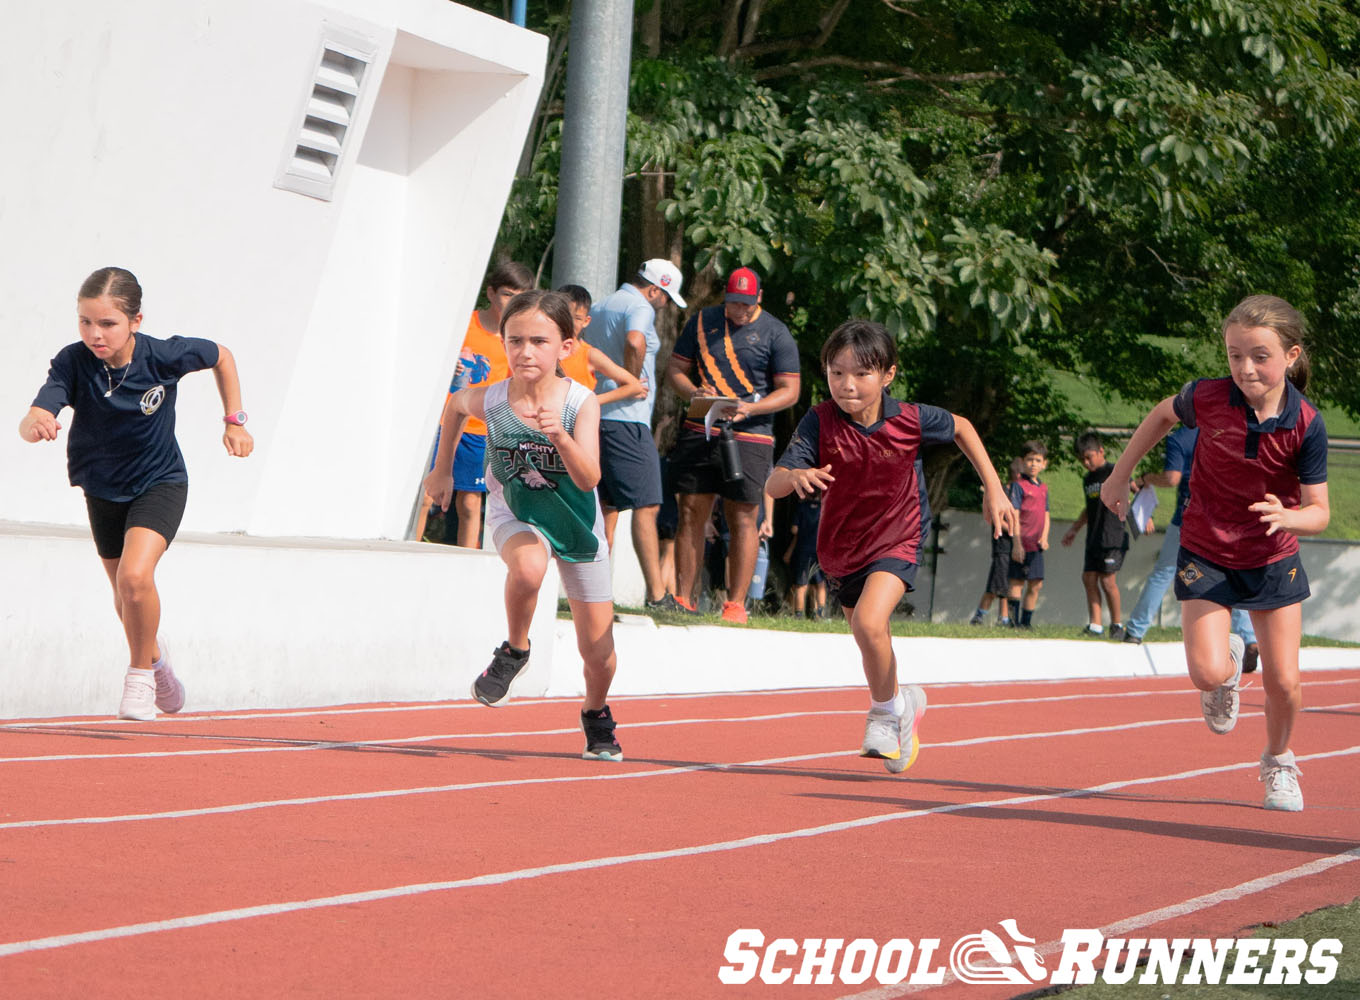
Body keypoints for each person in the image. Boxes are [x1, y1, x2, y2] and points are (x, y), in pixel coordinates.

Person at [1101, 294, 1328, 811]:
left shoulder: (1306, 424)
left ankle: (1278, 761)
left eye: (1260, 356)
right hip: (1206, 545)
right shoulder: (1207, 397)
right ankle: (1227, 666)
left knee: (1284, 680)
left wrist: (1292, 517)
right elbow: (1161, 416)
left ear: (1291, 356)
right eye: (1234, 355)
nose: (1245, 368)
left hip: (1272, 556)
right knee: (1205, 674)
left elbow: (1319, 511)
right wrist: (1119, 474)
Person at [766, 320, 1017, 774]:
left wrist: (993, 488)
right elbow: (774, 482)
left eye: (861, 374)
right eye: (836, 373)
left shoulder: (911, 419)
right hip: (840, 549)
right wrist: (795, 476)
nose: (847, 385)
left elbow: (962, 428)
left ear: (888, 375)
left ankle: (883, 715)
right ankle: (903, 705)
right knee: (870, 639)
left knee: (869, 621)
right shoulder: (818, 421)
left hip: (898, 537)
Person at [18, 266, 253, 720]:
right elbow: (35, 413)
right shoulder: (73, 361)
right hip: (102, 489)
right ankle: (158, 664)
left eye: (107, 323)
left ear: (135, 321)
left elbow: (222, 355)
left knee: (134, 577)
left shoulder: (163, 356)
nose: (95, 334)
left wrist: (234, 419)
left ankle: (139, 680)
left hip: (159, 482)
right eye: (86, 322)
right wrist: (36, 425)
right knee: (125, 596)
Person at [424, 290, 624, 761]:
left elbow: (590, 477)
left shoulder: (580, 403)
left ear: (566, 348)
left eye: (538, 341)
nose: (525, 352)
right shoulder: (493, 399)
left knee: (599, 654)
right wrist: (442, 469)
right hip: (515, 512)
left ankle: (596, 714)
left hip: (577, 526)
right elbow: (454, 405)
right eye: (515, 341)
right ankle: (515, 650)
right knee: (529, 568)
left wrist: (559, 435)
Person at [665, 266, 801, 623]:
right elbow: (676, 371)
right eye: (732, 303)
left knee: (742, 514)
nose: (738, 310)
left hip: (750, 433)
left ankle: (736, 604)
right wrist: (693, 391)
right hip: (701, 426)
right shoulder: (701, 321)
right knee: (692, 510)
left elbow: (790, 391)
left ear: (758, 299)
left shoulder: (776, 332)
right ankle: (684, 597)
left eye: (745, 303)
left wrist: (751, 408)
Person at [584, 259, 687, 611]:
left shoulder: (600, 306)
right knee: (648, 505)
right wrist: (631, 379)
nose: (665, 305)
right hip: (627, 420)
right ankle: (658, 596)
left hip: (596, 414)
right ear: (655, 289)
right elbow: (634, 339)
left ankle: (593, 593)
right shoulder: (640, 306)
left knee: (607, 508)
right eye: (667, 298)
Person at [1122, 425, 1260, 665]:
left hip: (1189, 516)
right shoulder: (1228, 431)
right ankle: (1248, 638)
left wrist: (1146, 479)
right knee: (1232, 574)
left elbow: (1172, 478)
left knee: (1164, 573)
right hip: (1225, 516)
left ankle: (1135, 630)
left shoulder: (1179, 438)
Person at [446, 261, 534, 548]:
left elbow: (516, 385)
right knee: (425, 497)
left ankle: (464, 567)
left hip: (480, 430)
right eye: (508, 294)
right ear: (491, 293)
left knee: (470, 504)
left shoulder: (516, 340)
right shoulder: (463, 324)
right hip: (444, 422)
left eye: (521, 297)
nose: (513, 303)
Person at [1062, 431, 1129, 638]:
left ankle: (1117, 625)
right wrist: (1074, 528)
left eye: (1089, 457)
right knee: (1089, 578)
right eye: (1082, 459)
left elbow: (1134, 489)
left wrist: (1145, 516)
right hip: (1094, 537)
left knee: (1108, 582)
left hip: (1112, 537)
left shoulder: (1114, 471)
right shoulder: (1088, 479)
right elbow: (1089, 509)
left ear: (1101, 451)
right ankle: (1095, 625)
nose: (1086, 462)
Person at [555, 284, 648, 408]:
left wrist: (589, 401)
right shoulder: (543, 346)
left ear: (586, 321)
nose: (570, 323)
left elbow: (634, 386)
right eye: (565, 316)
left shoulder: (588, 354)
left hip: (576, 423)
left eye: (577, 318)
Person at [969, 456, 1024, 626]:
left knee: (1003, 584)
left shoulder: (1011, 492)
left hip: (1006, 546)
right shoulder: (1007, 492)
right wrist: (1014, 530)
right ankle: (979, 617)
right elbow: (996, 519)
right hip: (1002, 546)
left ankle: (1004, 618)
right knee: (996, 585)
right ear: (1019, 475)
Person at [1005, 441, 1051, 627]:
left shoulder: (1043, 488)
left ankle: (1026, 623)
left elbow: (1046, 514)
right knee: (1017, 582)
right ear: (1022, 462)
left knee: (1036, 584)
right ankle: (1013, 622)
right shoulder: (1019, 486)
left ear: (1044, 464)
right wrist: (1016, 543)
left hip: (1036, 545)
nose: (1033, 463)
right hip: (1021, 542)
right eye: (1029, 459)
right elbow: (1014, 515)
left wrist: (1045, 536)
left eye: (1037, 460)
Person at [784, 493, 827, 619]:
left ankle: (798, 614)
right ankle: (820, 614)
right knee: (820, 585)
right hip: (819, 551)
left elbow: (794, 529)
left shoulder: (801, 507)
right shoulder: (823, 508)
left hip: (803, 550)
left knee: (801, 585)